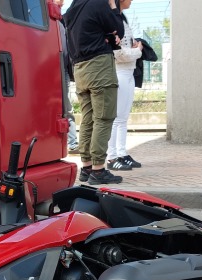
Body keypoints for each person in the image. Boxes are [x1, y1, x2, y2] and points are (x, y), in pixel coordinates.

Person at [64, 0, 124, 185]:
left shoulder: (73, 9)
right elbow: (117, 28)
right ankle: (98, 170)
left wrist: (106, 36)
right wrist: (113, 6)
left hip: (80, 68)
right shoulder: (98, 3)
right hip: (98, 66)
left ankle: (87, 167)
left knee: (88, 119)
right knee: (103, 118)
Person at [104, 0, 143, 172]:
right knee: (117, 117)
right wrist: (138, 51)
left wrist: (134, 47)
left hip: (127, 72)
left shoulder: (122, 19)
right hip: (120, 72)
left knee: (123, 117)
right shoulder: (114, 20)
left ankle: (121, 153)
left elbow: (124, 47)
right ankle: (112, 157)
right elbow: (117, 53)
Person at [53, 0, 79, 153]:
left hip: (63, 70)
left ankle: (72, 143)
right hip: (50, 69)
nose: (62, 2)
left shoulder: (63, 20)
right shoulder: (48, 21)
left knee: (66, 107)